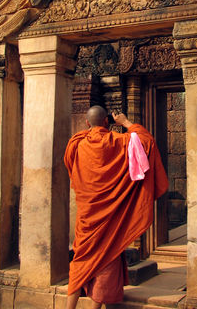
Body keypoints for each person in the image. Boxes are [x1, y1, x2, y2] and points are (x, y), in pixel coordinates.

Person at [64, 105, 168, 309]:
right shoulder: (119, 142)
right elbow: (147, 142)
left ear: (86, 123)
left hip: (87, 214)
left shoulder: (76, 144)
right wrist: (125, 123)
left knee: (81, 259)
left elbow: (70, 165)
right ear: (107, 122)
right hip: (111, 214)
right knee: (107, 258)